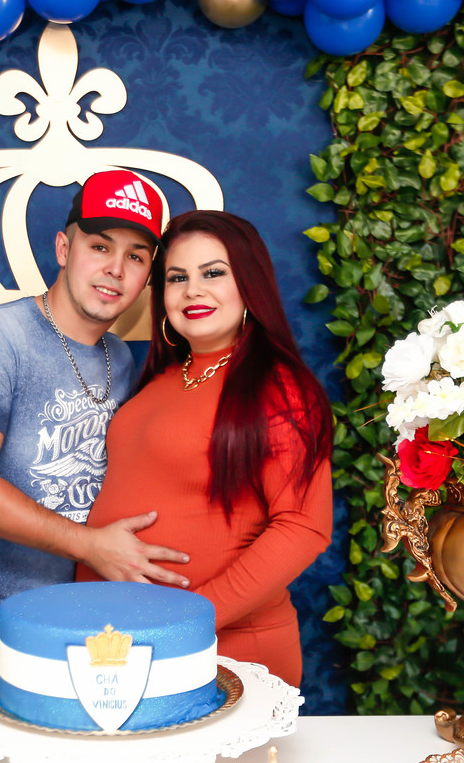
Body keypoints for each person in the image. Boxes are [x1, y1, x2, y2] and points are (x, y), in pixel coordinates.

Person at [0, 169, 191, 681]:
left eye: (136, 257)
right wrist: (92, 546)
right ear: (65, 248)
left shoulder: (119, 357)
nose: (115, 269)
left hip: (86, 631)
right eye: (100, 246)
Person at [76, 209, 334, 686]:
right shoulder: (161, 378)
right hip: (119, 646)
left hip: (223, 649)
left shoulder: (279, 387)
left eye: (213, 273)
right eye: (177, 278)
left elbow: (303, 528)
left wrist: (191, 619)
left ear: (250, 284)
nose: (193, 290)